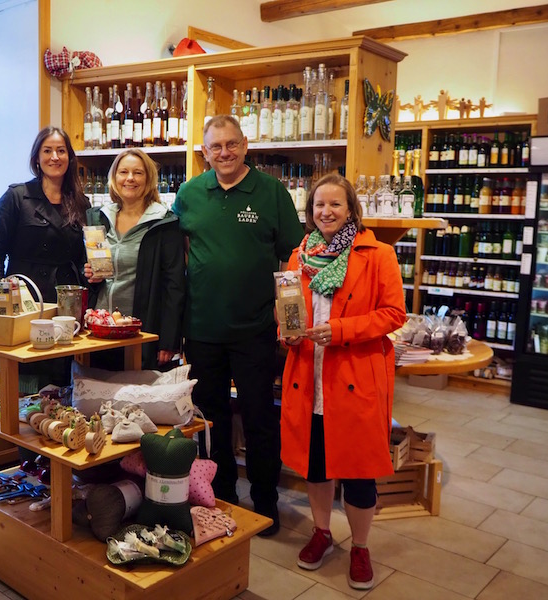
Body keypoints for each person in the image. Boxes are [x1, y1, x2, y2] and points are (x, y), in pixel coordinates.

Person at [173, 115, 304, 536]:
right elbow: (175, 254)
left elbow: (294, 258)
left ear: (245, 145)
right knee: (210, 421)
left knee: (260, 418)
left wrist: (287, 316)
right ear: (205, 152)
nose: (224, 153)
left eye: (231, 145)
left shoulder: (270, 192)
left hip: (254, 330)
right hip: (202, 330)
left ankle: (266, 502)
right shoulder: (190, 193)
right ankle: (222, 496)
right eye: (216, 147)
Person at [279, 173, 406, 589]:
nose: (326, 212)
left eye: (335, 205)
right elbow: (289, 308)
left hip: (353, 374)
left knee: (357, 469)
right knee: (316, 465)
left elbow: (393, 314)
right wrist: (286, 330)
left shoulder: (378, 253)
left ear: (351, 208)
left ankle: (362, 548)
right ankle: (321, 532)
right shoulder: (300, 255)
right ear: (309, 210)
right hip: (308, 372)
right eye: (319, 205)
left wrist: (340, 330)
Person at [0, 126, 91, 385]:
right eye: (48, 150)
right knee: (26, 380)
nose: (55, 157)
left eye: (61, 151)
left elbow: (81, 256)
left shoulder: (80, 202)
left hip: (65, 304)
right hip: (25, 300)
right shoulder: (17, 197)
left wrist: (89, 272)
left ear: (70, 157)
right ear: (37, 158)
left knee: (62, 382)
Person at [84, 148, 186, 370]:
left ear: (148, 179)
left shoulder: (164, 223)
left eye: (138, 173)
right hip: (101, 331)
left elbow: (174, 286)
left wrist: (168, 341)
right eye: (124, 172)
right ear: (114, 177)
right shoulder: (99, 218)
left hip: (141, 332)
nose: (130, 178)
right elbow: (96, 276)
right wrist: (91, 276)